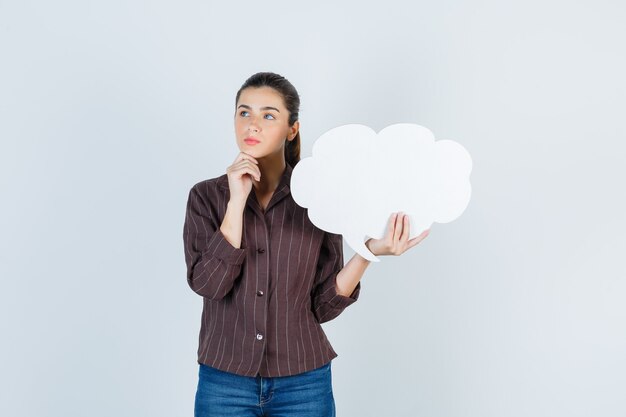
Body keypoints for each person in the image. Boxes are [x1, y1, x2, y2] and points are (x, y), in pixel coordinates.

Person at [183, 71, 430, 417]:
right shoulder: (206, 197)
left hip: (303, 383)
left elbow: (323, 306)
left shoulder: (318, 198)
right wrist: (236, 202)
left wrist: (368, 251)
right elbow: (209, 284)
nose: (252, 124)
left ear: (292, 129)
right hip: (224, 382)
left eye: (268, 115)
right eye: (244, 112)